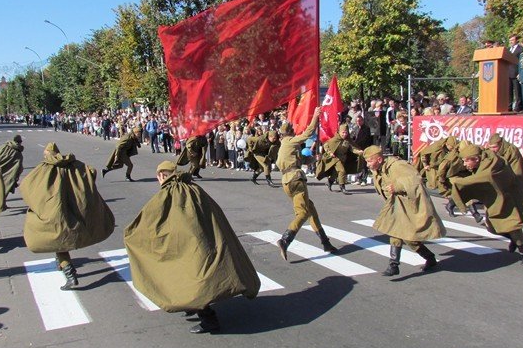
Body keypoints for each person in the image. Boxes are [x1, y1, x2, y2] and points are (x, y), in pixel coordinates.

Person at [124, 161, 260, 334]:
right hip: (204, 240)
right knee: (195, 275)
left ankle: (208, 319)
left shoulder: (168, 193)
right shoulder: (193, 188)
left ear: (161, 176)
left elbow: (150, 220)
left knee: (192, 277)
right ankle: (192, 306)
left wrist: (131, 233)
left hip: (188, 244)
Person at [21, 143, 114, 291]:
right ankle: (63, 265)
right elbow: (91, 172)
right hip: (73, 208)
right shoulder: (74, 164)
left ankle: (69, 273)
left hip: (56, 211)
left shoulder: (44, 168)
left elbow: (27, 186)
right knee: (63, 237)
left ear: (47, 154)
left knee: (58, 240)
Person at [362, 145, 445, 277]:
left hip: (409, 204)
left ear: (378, 159)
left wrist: (398, 186)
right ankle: (425, 258)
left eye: (369, 161)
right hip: (397, 205)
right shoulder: (379, 168)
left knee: (400, 233)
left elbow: (415, 179)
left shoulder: (397, 165)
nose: (367, 165)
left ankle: (394, 264)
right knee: (402, 234)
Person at [449, 144, 523, 266]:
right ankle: (514, 240)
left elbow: (486, 176)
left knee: (512, 226)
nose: (465, 164)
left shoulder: (492, 163)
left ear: (476, 159)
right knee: (493, 228)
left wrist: (459, 182)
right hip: (496, 199)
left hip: (508, 198)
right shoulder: (483, 162)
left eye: (466, 161)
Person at [275, 108, 337, 259]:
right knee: (302, 213)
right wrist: (315, 116)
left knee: (311, 209)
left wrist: (315, 159)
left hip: (287, 181)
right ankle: (285, 240)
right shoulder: (290, 141)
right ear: (290, 133)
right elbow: (308, 133)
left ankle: (325, 242)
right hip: (296, 179)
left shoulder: (284, 146)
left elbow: (300, 161)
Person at [315, 123, 358, 195]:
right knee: (342, 171)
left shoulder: (347, 140)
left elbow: (352, 149)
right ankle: (342, 187)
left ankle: (329, 182)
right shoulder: (334, 140)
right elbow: (326, 145)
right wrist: (330, 153)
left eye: (346, 132)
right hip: (335, 158)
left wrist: (359, 152)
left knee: (335, 173)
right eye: (343, 132)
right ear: (339, 132)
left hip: (343, 159)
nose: (344, 134)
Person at [0, 135, 25, 206]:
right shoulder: (18, 153)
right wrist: (17, 175)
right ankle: (1, 203)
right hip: (9, 174)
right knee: (6, 187)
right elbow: (18, 167)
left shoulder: (3, 146)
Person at [508, 34, 523, 111]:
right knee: (509, 91)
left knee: (517, 91)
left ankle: (518, 106)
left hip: (516, 72)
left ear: (516, 40)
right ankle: (509, 106)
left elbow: (521, 62)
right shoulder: (508, 49)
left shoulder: (520, 49)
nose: (511, 42)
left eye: (512, 40)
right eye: (510, 40)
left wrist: (520, 72)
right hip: (507, 73)